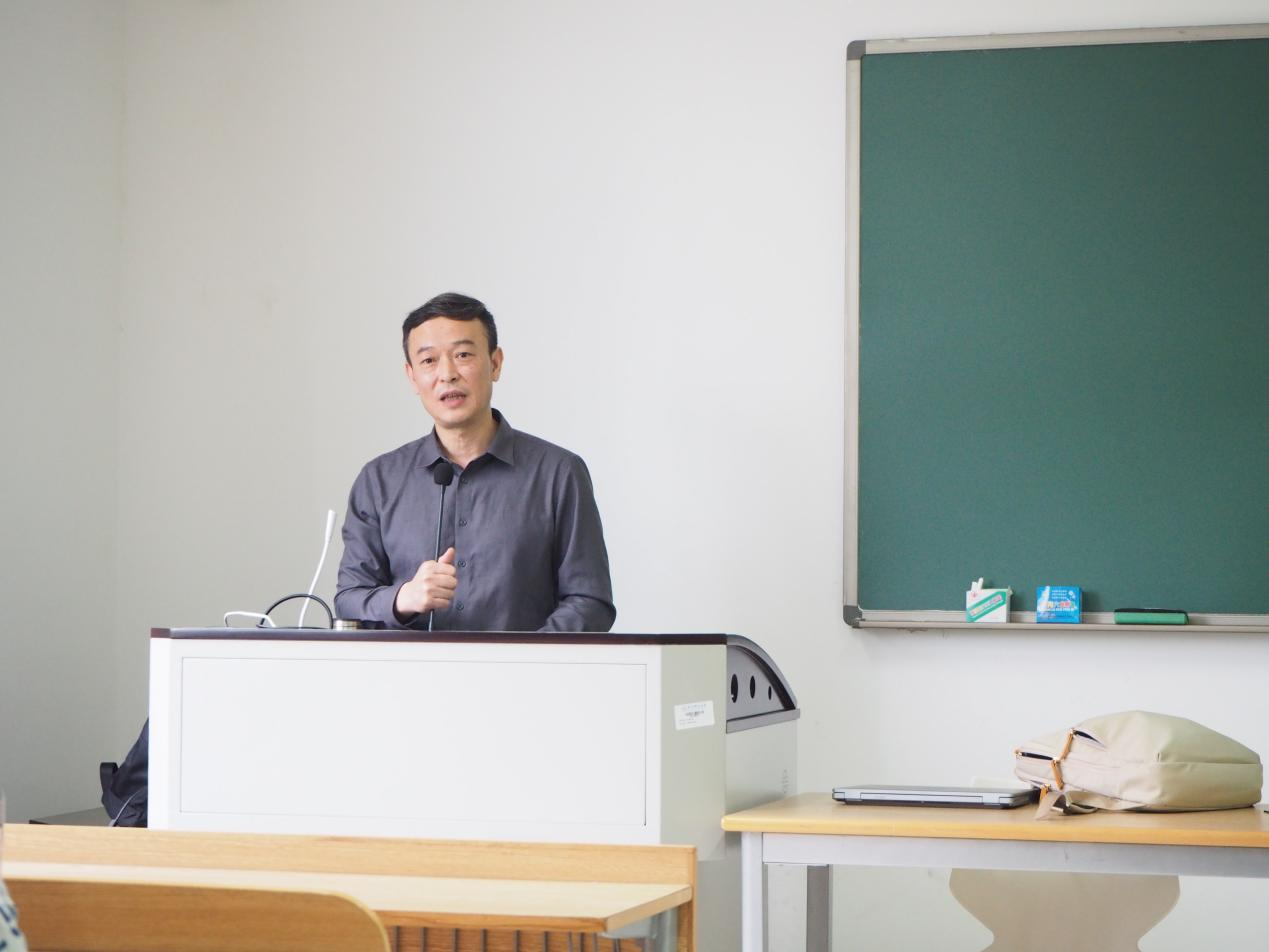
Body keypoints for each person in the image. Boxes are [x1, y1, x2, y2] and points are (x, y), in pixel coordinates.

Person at [335, 292, 615, 632]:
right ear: (412, 377)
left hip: (526, 667)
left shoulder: (558, 473)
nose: (447, 374)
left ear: (495, 364)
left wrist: (525, 656)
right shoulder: (379, 481)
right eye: (429, 361)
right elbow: (349, 599)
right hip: (411, 668)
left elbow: (589, 601)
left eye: (463, 355)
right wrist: (403, 598)